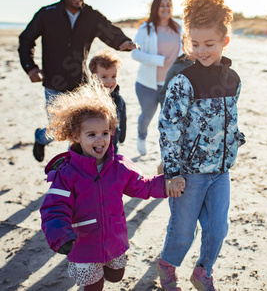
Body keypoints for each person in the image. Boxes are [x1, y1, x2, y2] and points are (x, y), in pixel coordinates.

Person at [39, 78, 184, 291]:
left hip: (114, 238)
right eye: (91, 135)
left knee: (116, 276)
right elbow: (54, 207)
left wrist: (166, 184)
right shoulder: (67, 173)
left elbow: (142, 186)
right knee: (94, 285)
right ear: (76, 136)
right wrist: (60, 235)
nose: (100, 139)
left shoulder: (119, 166)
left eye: (105, 133)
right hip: (83, 243)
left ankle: (107, 269)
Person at [156, 0, 246, 291]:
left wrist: (235, 140)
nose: (202, 51)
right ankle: (167, 266)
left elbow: (229, 118)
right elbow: (169, 127)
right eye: (195, 45)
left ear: (225, 41)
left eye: (209, 44)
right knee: (183, 231)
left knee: (218, 228)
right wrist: (171, 172)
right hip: (189, 173)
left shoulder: (233, 79)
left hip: (220, 170)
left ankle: (203, 271)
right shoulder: (184, 81)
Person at [18, 0, 136, 163]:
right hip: (53, 83)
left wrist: (123, 41)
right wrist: (30, 67)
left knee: (80, 133)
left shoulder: (90, 16)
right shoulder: (47, 13)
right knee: (56, 130)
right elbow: (26, 39)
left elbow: (108, 29)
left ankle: (75, 170)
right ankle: (40, 138)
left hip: (80, 85)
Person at [131, 0, 184, 156]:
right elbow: (135, 53)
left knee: (167, 120)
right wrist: (159, 60)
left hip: (170, 84)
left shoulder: (180, 26)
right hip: (147, 84)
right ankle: (141, 136)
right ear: (156, 8)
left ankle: (166, 151)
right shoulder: (146, 28)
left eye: (169, 5)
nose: (166, 8)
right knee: (147, 116)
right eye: (162, 5)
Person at [88, 49, 127, 153]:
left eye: (113, 76)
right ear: (94, 78)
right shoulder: (87, 99)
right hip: (89, 152)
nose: (110, 81)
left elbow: (123, 120)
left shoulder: (119, 100)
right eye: (104, 77)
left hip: (112, 150)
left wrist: (122, 137)